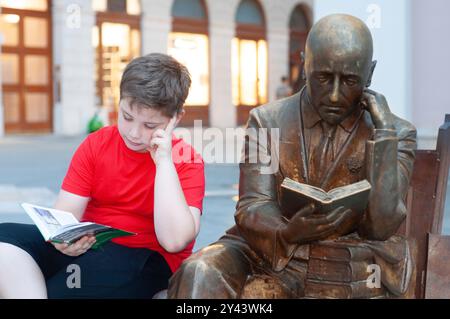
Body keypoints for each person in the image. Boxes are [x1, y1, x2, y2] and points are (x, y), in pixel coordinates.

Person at [168, 14, 417, 298]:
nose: (334, 95)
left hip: (350, 260)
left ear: (369, 74)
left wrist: (383, 135)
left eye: (349, 81)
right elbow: (253, 205)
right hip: (269, 250)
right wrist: (287, 232)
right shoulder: (267, 120)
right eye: (323, 77)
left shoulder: (396, 131)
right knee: (200, 271)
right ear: (304, 63)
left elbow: (382, 225)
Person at [0, 53, 205, 299]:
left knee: (67, 288)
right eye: (127, 117)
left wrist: (163, 162)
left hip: (145, 256)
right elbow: (65, 214)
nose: (134, 133)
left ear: (175, 118)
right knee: (5, 238)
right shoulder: (97, 144)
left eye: (150, 126)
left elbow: (174, 240)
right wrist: (62, 240)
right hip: (92, 245)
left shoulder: (186, 160)